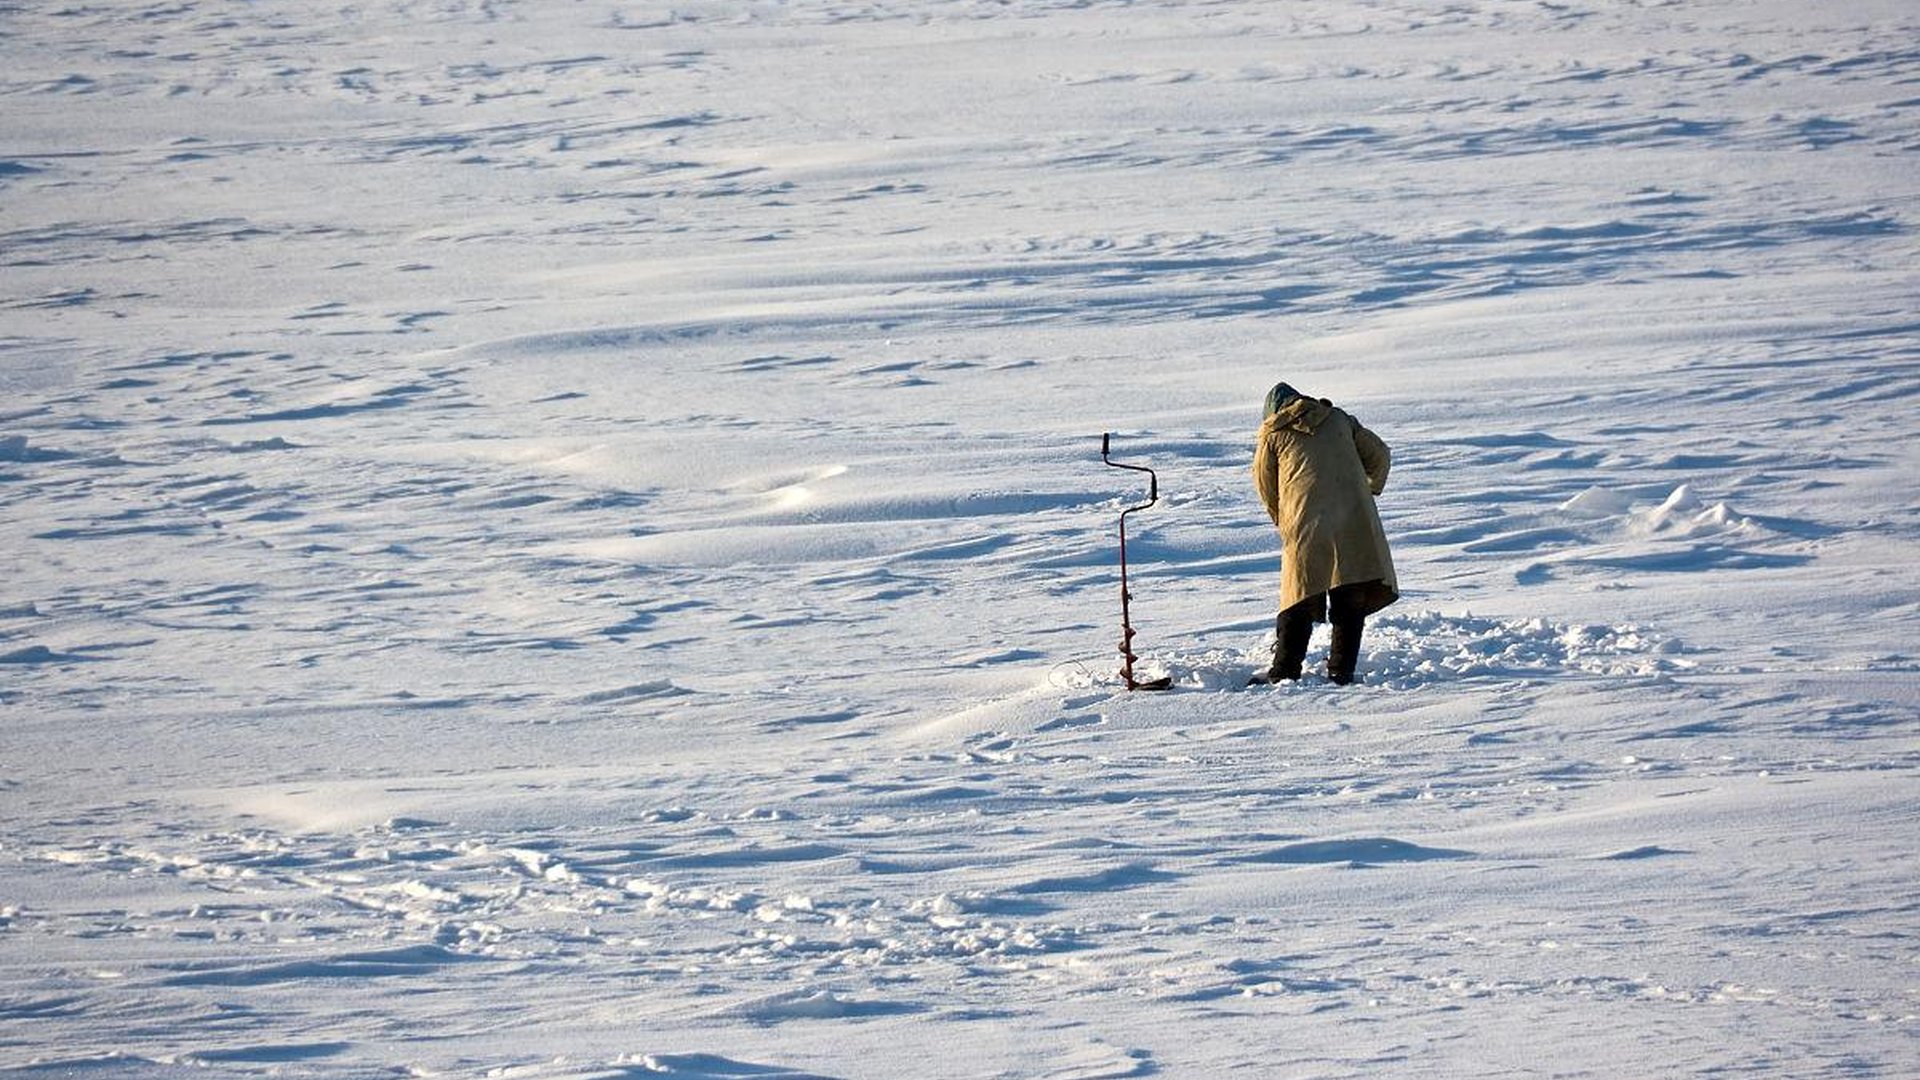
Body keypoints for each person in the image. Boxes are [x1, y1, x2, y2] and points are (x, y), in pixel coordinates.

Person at [1251, 382, 1398, 685]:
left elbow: (1265, 486)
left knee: (1299, 593)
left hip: (1305, 519)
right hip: (1354, 516)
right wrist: (1369, 489)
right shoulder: (1339, 418)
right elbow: (1380, 455)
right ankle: (1341, 671)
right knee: (1350, 591)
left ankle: (1285, 671)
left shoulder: (1272, 431)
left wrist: (1283, 519)